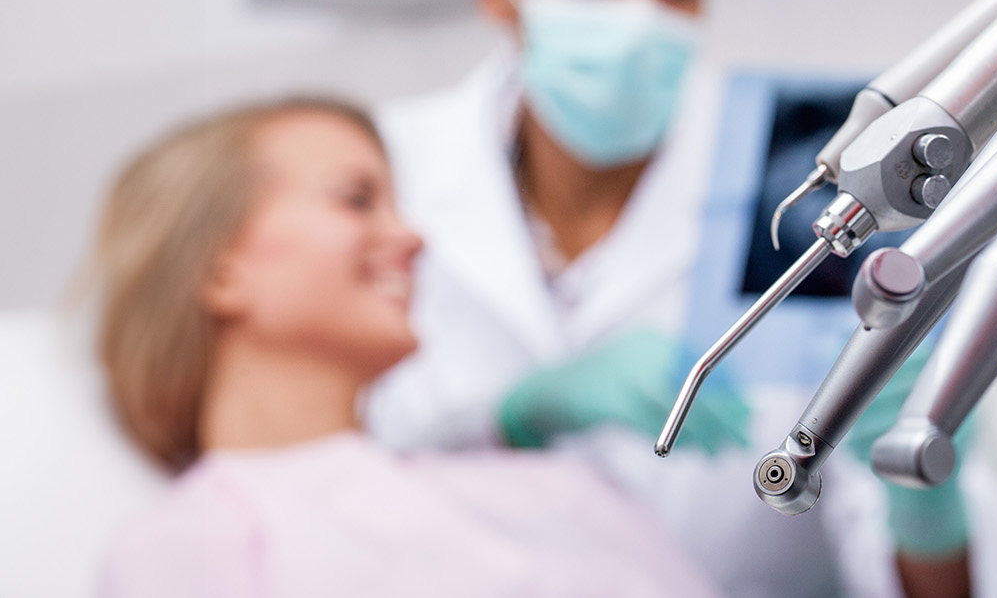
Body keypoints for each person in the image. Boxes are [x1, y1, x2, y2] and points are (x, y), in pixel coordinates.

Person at [362, 0, 997, 597]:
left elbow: (944, 585)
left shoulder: (807, 188)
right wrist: (506, 417)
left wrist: (920, 499)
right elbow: (304, 482)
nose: (640, 18)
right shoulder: (379, 176)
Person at [90, 99, 722, 598]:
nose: (413, 238)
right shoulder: (185, 544)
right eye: (356, 199)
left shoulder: (562, 492)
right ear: (219, 270)